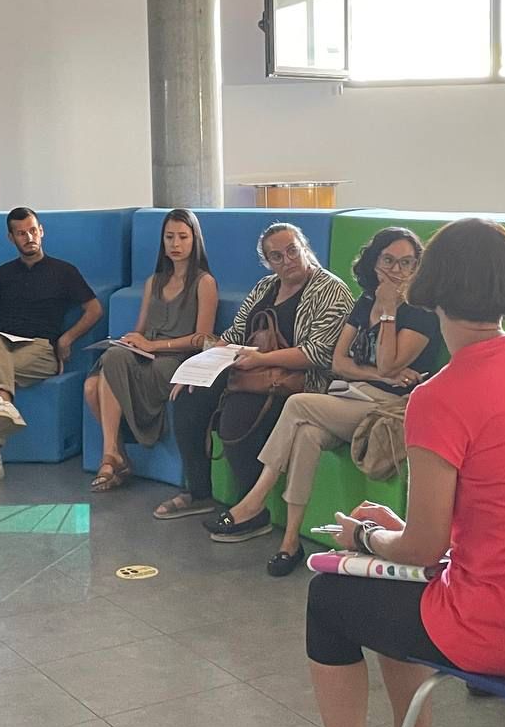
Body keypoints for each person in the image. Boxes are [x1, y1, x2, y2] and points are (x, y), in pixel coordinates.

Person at [305, 218, 505, 727]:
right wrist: (404, 536)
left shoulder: (439, 396)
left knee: (329, 598)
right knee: (391, 589)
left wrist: (366, 537)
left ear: (432, 285)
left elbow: (424, 550)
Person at [210, 227, 443, 577]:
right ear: (374, 262)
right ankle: (290, 542)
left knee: (298, 405)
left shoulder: (422, 311)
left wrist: (389, 311)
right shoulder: (366, 301)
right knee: (306, 434)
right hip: (350, 396)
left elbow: (387, 363)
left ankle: (254, 500)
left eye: (406, 263)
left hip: (389, 408)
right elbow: (339, 362)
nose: (397, 270)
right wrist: (380, 372)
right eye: (388, 260)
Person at [152, 222, 353, 529]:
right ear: (267, 262)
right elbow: (235, 333)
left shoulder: (330, 290)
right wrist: (196, 368)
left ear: (305, 248)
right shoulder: (265, 287)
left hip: (300, 381)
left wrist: (262, 358)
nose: (287, 261)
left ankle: (251, 511)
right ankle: (199, 492)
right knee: (188, 397)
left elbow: (317, 353)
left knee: (239, 415)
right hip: (250, 367)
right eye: (277, 256)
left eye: (292, 251)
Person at [0, 207, 103, 487]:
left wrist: (67, 338)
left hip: (42, 350)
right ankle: (3, 404)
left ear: (41, 231)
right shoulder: (2, 274)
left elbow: (94, 309)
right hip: (4, 344)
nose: (29, 237)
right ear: (11, 238)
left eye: (32, 230)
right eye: (21, 233)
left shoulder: (64, 271)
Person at [84, 209, 217, 491]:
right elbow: (141, 330)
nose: (175, 244)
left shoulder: (204, 282)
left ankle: (112, 458)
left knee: (108, 369)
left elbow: (203, 339)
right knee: (92, 384)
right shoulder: (153, 282)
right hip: (145, 354)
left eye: (183, 237)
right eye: (169, 237)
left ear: (195, 240)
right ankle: (115, 454)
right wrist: (131, 341)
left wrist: (154, 346)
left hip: (175, 360)